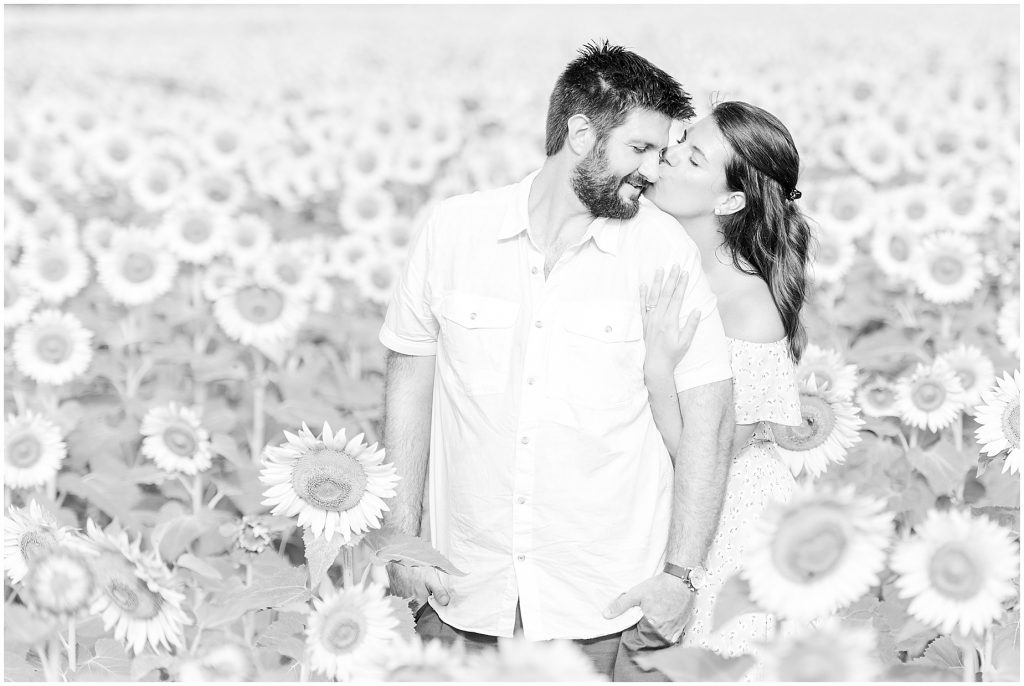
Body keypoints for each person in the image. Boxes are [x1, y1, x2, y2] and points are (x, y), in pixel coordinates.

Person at [378, 40, 735, 679]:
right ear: (578, 134)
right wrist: (402, 544)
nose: (654, 171)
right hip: (463, 595)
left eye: (661, 151)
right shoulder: (454, 231)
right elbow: (409, 386)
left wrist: (680, 576)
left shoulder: (663, 253)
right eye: (640, 148)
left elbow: (710, 420)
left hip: (602, 608)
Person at [615, 100, 812, 681]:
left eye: (691, 156)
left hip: (732, 528)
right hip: (675, 508)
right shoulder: (663, 254)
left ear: (729, 201)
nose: (668, 155)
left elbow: (706, 449)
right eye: (680, 140)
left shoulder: (744, 304)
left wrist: (658, 370)